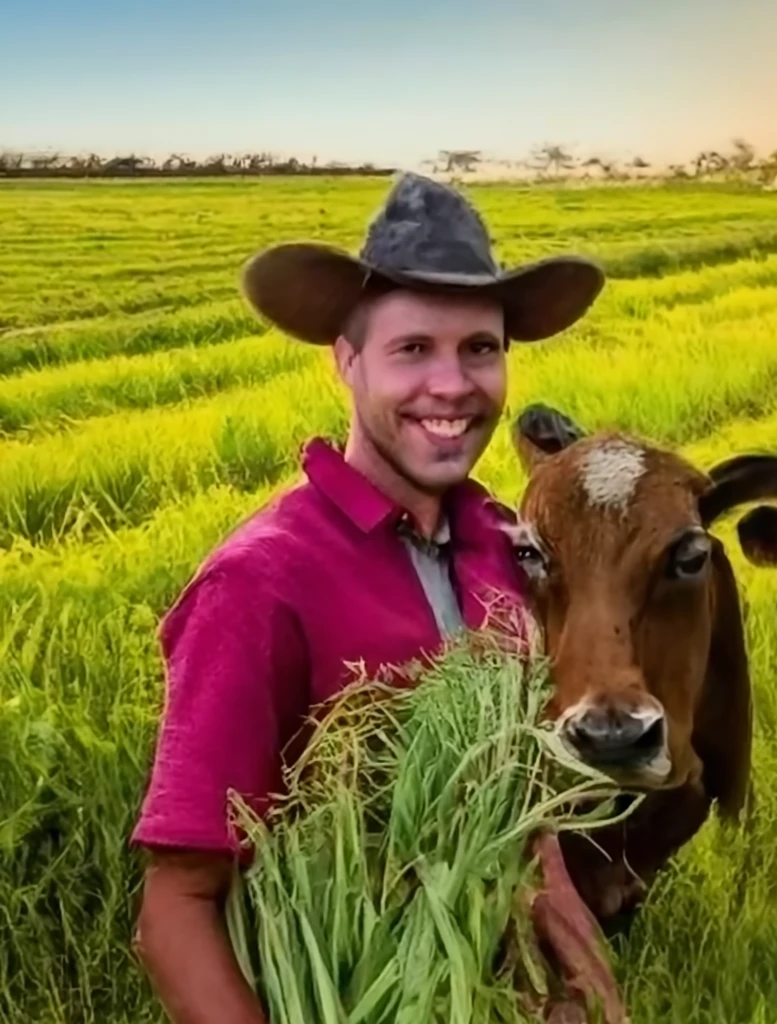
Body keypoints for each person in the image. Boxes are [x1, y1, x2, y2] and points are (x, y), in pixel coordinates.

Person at [130, 171, 625, 1024]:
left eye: (480, 348)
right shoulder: (260, 582)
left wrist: (561, 918)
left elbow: (511, 792)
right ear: (346, 361)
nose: (453, 385)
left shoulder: (503, 552)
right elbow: (174, 908)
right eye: (412, 350)